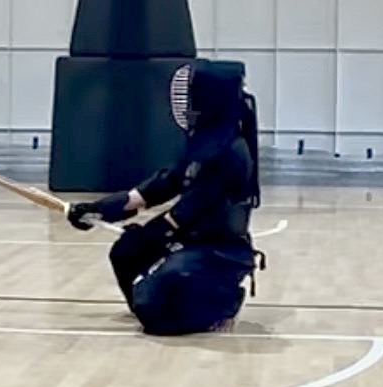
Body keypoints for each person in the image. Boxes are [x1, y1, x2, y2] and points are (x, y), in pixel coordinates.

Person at [67, 59, 263, 336]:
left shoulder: (231, 151)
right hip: (189, 241)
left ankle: (224, 301)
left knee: (167, 292)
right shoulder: (202, 142)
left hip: (219, 250)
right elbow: (160, 185)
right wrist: (98, 210)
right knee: (126, 254)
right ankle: (154, 304)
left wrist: (150, 234)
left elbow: (189, 210)